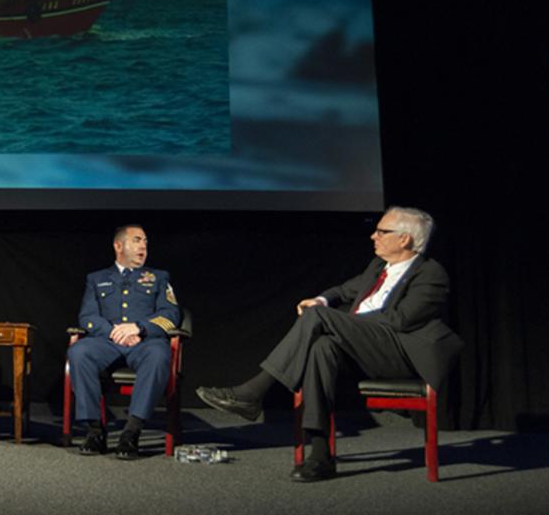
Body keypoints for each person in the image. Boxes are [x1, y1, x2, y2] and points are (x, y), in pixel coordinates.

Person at [197, 206, 464, 482]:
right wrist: (322, 300)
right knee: (321, 348)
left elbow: (400, 320)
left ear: (405, 239)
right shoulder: (378, 267)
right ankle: (321, 456)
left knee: (320, 320)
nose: (374, 236)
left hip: (398, 353)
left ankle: (254, 391)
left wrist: (339, 321)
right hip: (362, 348)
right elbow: (342, 290)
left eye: (382, 231)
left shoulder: (431, 274)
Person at [69, 225, 181, 460]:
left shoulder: (159, 278)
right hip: (107, 342)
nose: (143, 246)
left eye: (146, 242)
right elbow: (87, 316)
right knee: (79, 352)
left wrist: (139, 328)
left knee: (160, 355)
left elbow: (171, 315)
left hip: (145, 342)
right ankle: (95, 431)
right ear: (118, 246)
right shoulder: (96, 279)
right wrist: (113, 332)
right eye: (137, 240)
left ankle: (131, 432)